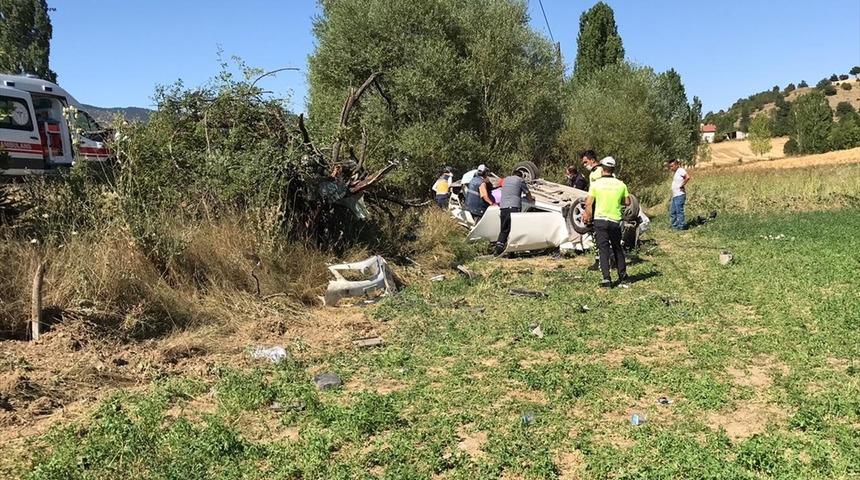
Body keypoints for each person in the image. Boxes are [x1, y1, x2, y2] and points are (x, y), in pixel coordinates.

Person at [582, 156, 630, 288]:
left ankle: (606, 279)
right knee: (617, 248)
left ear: (602, 168)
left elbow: (589, 203)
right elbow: (627, 202)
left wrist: (588, 217)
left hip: (600, 220)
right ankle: (623, 276)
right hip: (614, 220)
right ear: (613, 169)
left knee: (603, 249)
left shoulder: (596, 184)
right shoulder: (621, 184)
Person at [494, 169, 534, 255]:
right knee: (513, 229)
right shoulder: (520, 180)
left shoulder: (505, 180)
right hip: (514, 207)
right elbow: (527, 193)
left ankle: (498, 249)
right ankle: (511, 251)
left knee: (504, 229)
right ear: (520, 176)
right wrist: (531, 200)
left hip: (503, 207)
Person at [667, 159, 691, 230]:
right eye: (670, 166)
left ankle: (681, 227)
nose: (671, 168)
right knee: (672, 212)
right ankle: (674, 226)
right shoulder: (676, 172)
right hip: (675, 195)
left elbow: (687, 177)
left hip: (680, 195)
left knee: (679, 212)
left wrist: (682, 185)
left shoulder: (681, 170)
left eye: (672, 166)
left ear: (677, 165)